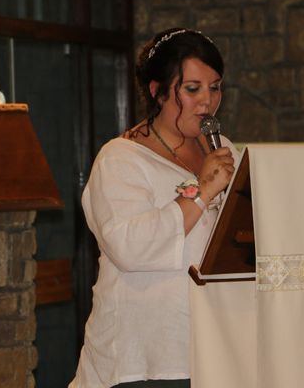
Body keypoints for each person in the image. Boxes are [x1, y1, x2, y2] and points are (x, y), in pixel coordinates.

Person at [69, 28, 240, 388]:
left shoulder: (222, 148)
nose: (207, 101)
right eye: (192, 89)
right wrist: (202, 191)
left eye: (215, 87)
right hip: (144, 357)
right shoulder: (121, 158)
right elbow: (130, 247)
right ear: (157, 91)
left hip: (215, 346)